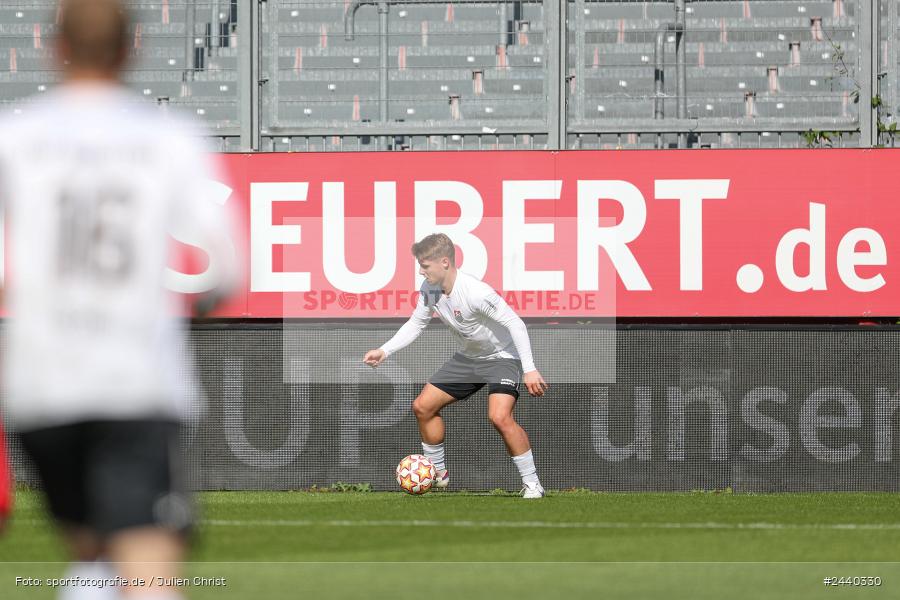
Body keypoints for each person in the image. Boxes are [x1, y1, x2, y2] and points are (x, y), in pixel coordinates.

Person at [0, 0, 238, 597]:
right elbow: (227, 265)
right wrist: (196, 312)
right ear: (134, 48)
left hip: (40, 382)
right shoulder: (169, 138)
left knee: (93, 553)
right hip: (134, 377)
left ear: (51, 47)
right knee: (148, 560)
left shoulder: (13, 137)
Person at [363, 233, 548, 498]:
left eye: (425, 266)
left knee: (499, 417)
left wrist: (529, 368)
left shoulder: (476, 292)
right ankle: (437, 475)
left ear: (445, 262)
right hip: (469, 358)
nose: (420, 271)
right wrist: (385, 350)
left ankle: (532, 484)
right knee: (423, 406)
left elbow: (515, 324)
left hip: (502, 358)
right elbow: (417, 323)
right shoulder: (430, 290)